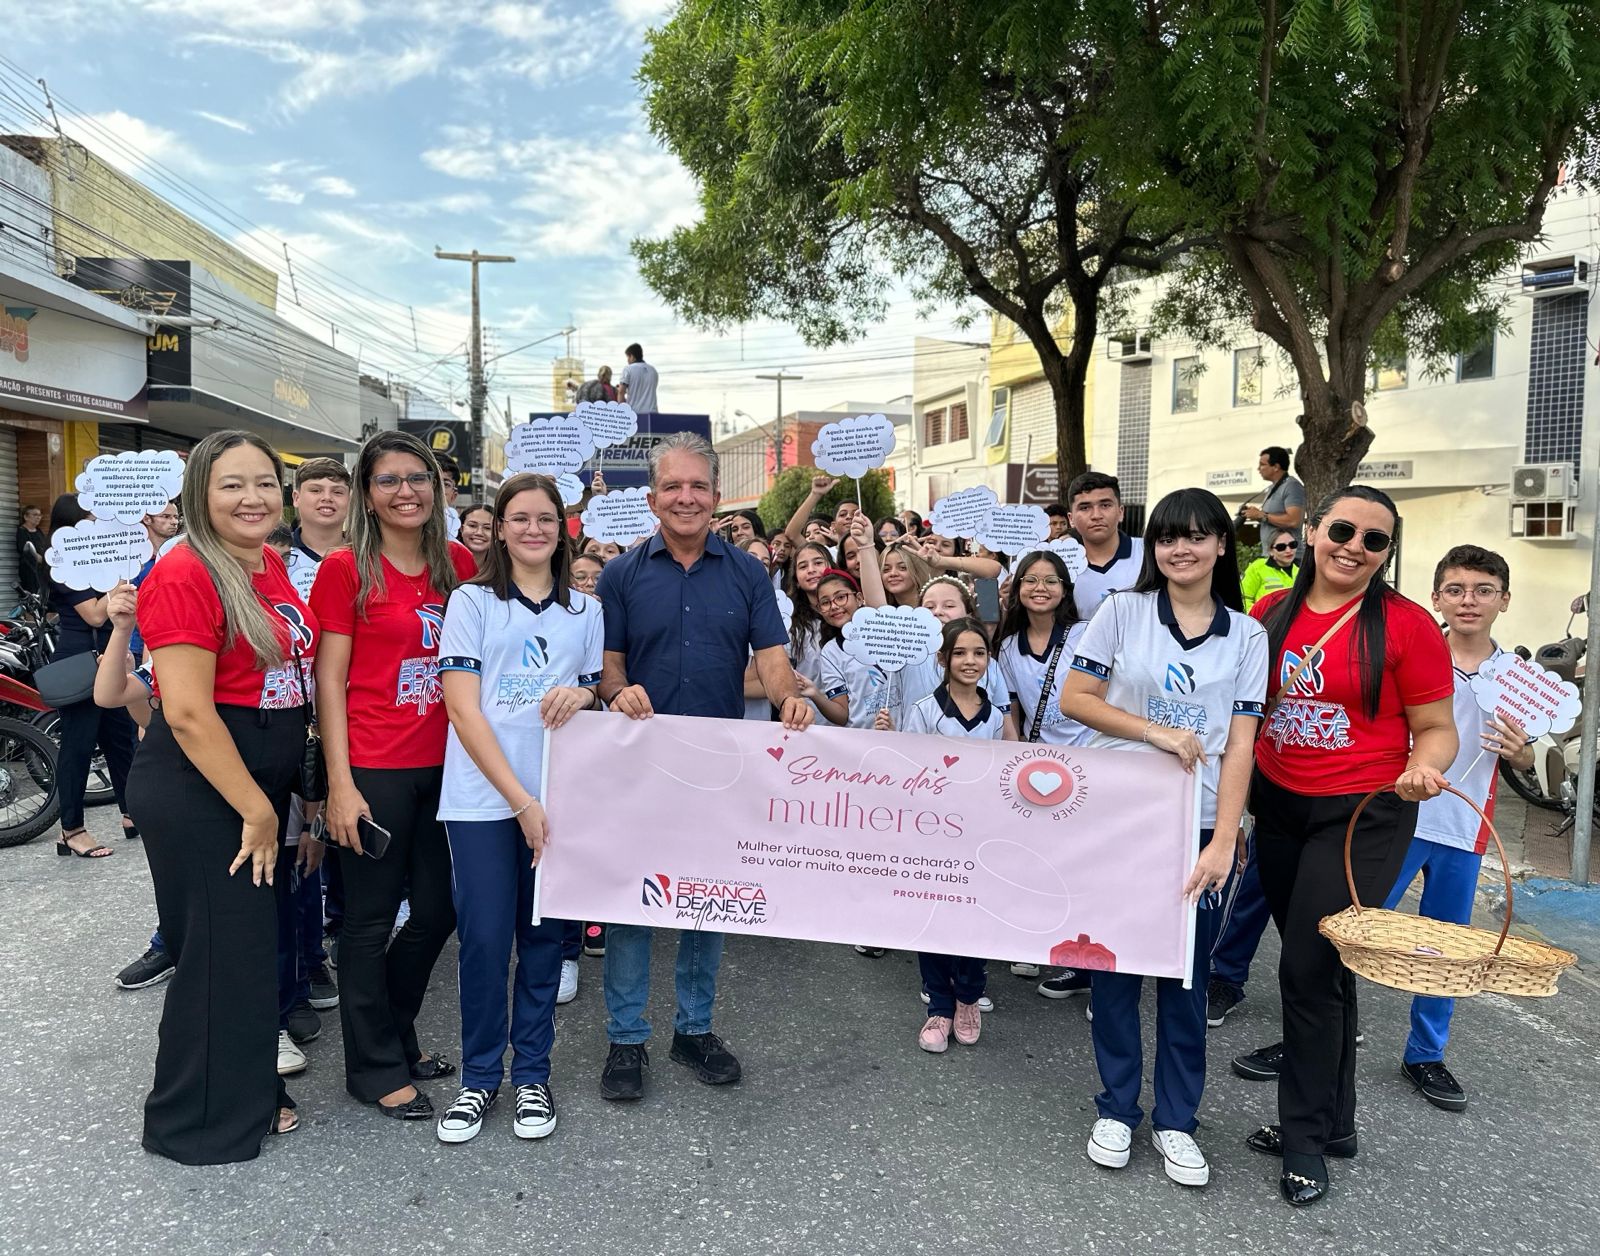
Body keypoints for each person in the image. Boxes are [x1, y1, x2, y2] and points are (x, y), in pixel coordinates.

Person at [1236, 485, 1456, 1207]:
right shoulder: (1271, 614)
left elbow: (1436, 725)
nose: (1354, 547)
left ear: (1387, 554)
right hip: (1278, 804)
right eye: (1343, 530)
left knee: (1305, 968)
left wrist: (1429, 765)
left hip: (1363, 816)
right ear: (1313, 529)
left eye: (1375, 540)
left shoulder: (1406, 625)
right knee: (1327, 966)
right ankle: (1336, 1124)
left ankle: (1303, 1139)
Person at [594, 430, 812, 1102]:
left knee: (707, 904)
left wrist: (788, 700)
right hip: (641, 767)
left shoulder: (748, 574)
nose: (685, 497)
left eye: (697, 487)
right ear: (654, 498)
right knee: (633, 905)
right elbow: (608, 663)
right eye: (673, 487)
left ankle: (694, 1031)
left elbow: (771, 658)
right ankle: (626, 1039)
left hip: (721, 766)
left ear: (716, 497)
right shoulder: (620, 574)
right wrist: (615, 689)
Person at [1062, 487, 1268, 1189]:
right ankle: (1117, 1107)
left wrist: (1225, 835)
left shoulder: (1247, 635)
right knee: (1115, 970)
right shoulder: (1121, 613)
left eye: (1197, 536)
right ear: (1154, 549)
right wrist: (1155, 732)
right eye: (1167, 537)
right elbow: (1076, 700)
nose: (1181, 548)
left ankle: (1177, 1120)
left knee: (1186, 977)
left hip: (1201, 823)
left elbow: (1241, 744)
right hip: (1122, 816)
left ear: (1220, 545)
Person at [127, 429, 317, 1162]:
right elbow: (185, 711)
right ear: (201, 493)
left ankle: (247, 1095)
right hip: (204, 790)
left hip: (251, 789)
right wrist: (258, 809)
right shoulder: (184, 572)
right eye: (233, 484)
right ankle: (194, 1127)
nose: (252, 497)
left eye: (265, 483)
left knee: (242, 951)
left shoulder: (268, 563)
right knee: (216, 954)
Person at [309, 430, 478, 1121]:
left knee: (439, 912)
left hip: (452, 770)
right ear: (367, 495)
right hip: (376, 768)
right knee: (370, 921)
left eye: (419, 478)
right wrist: (340, 785)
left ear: (438, 490)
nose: (406, 490)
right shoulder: (346, 569)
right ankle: (373, 1067)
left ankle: (394, 1030)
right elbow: (331, 679)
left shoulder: (461, 562)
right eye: (388, 480)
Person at [435, 472, 605, 1144]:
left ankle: (532, 1073)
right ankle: (479, 1080)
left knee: (540, 942)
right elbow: (461, 706)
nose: (533, 530)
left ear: (563, 529)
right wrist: (520, 800)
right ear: (499, 528)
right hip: (483, 800)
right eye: (519, 518)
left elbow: (592, 688)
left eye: (545, 519)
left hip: (560, 794)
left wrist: (586, 698)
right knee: (482, 941)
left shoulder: (584, 611)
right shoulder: (473, 602)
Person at [1377, 545, 1529, 1113]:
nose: (1470, 601)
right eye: (1457, 589)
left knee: (1446, 948)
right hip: (1398, 818)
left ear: (1504, 601)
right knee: (1354, 928)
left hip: (1465, 829)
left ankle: (1425, 1054)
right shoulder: (1413, 655)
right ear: (1437, 597)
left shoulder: (1518, 678)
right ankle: (1319, 1035)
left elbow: (1527, 758)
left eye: (1484, 590)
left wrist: (1524, 755)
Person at [897, 617, 1016, 1051]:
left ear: (989, 659)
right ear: (943, 659)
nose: (970, 661)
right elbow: (907, 774)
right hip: (934, 836)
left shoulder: (998, 717)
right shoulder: (924, 711)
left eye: (979, 653)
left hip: (981, 837)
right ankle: (939, 1006)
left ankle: (968, 997)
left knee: (974, 918)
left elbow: (1010, 773)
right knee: (933, 919)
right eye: (960, 653)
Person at [991, 549, 1095, 994]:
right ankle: (1040, 941)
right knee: (1039, 858)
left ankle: (1088, 963)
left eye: (1050, 580)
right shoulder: (1009, 646)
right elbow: (1011, 706)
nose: (1040, 588)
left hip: (1092, 760)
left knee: (1085, 862)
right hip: (1039, 766)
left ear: (1065, 590)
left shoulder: (1087, 635)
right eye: (1030, 580)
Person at [46, 493, 140, 856]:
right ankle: (71, 829)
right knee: (79, 747)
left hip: (109, 659)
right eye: (90, 518)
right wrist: (117, 585)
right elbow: (96, 615)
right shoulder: (64, 563)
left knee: (121, 739)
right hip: (81, 660)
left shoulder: (101, 560)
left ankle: (132, 812)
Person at [1067, 472, 1145, 618]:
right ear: (1071, 519)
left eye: (1105, 505)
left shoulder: (1148, 553)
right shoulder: (1060, 564)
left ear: (1120, 512)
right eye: (1084, 508)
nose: (1096, 515)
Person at [284, 457, 351, 600]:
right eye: (315, 490)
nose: (327, 498)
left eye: (337, 492)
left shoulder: (367, 556)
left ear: (349, 500)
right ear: (296, 498)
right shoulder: (276, 556)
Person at [1242, 446, 1306, 552]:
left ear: (1276, 467)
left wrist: (1261, 515)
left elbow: (1294, 521)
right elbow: (1270, 518)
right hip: (1273, 556)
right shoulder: (1273, 487)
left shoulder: (1292, 486)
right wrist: (1255, 514)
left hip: (1289, 557)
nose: (1258, 469)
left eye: (1262, 465)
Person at [1241, 535, 1300, 611]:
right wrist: (1256, 618)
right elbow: (1244, 598)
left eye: (1292, 545)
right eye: (1281, 547)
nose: (1288, 550)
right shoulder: (1257, 568)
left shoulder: (1301, 570)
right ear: (1271, 551)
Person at [616, 343, 659, 415]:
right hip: (653, 414)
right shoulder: (653, 370)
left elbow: (621, 392)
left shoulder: (628, 369)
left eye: (628, 357)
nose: (627, 360)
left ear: (632, 356)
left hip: (634, 413)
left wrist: (622, 413)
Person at [15, 504, 46, 596]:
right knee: (32, 594)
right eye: (35, 515)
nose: (38, 517)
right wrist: (37, 557)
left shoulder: (39, 531)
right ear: (26, 517)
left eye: (39, 515)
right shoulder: (22, 531)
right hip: (29, 569)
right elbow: (24, 548)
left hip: (41, 570)